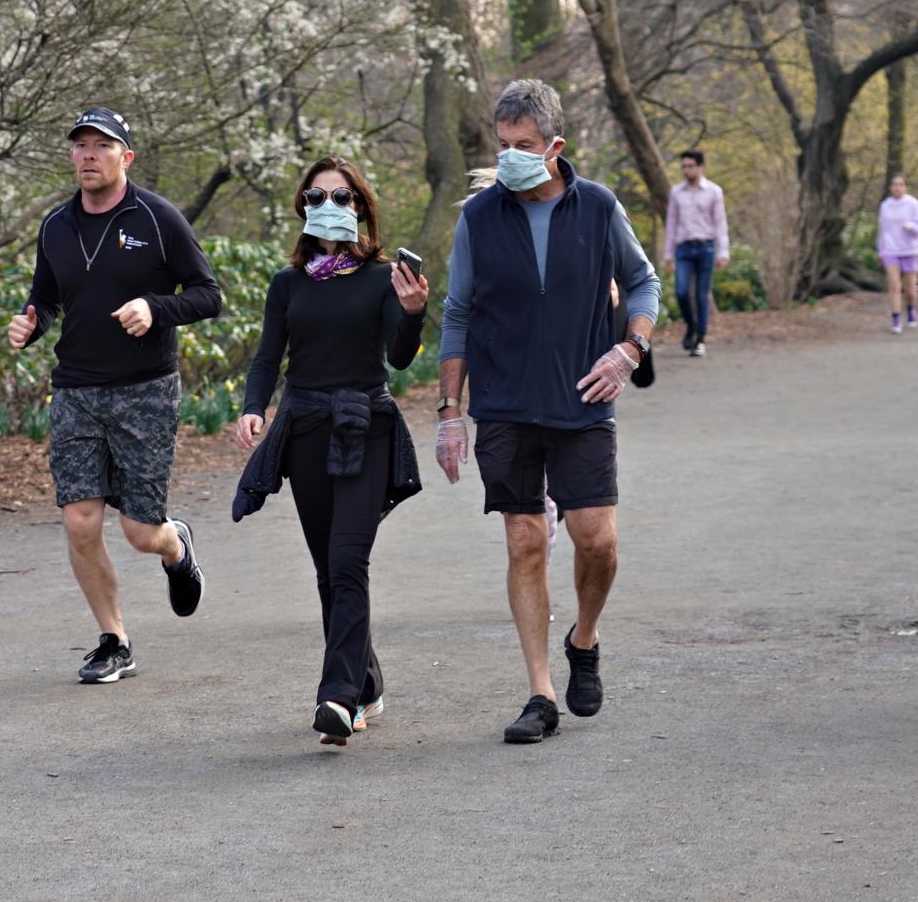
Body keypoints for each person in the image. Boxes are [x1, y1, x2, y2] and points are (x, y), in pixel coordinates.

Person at [434, 78, 661, 745]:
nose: (510, 158)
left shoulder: (597, 207)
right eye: (502, 145)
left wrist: (631, 347)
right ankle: (540, 692)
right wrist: (451, 411)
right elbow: (457, 314)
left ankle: (584, 637)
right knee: (526, 540)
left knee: (598, 539)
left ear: (555, 146)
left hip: (582, 397)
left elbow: (644, 279)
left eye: (524, 146)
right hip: (504, 404)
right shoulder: (479, 218)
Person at [7, 109, 222, 683]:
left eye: (102, 146)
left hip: (145, 390)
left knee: (139, 531)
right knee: (80, 523)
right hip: (76, 389)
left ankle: (176, 546)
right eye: (80, 146)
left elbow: (208, 295)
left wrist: (156, 308)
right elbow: (45, 298)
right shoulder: (56, 226)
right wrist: (32, 325)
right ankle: (114, 639)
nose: (88, 155)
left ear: (126, 156)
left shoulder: (157, 218)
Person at [231, 157, 428, 744]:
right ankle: (364, 682)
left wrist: (414, 315)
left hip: (365, 427)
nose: (329, 207)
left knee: (347, 562)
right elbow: (269, 355)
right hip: (305, 431)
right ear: (303, 208)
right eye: (317, 197)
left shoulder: (385, 277)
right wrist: (253, 406)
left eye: (342, 198)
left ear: (361, 208)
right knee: (328, 571)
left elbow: (400, 357)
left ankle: (336, 699)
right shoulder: (287, 283)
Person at [662, 149, 726, 357]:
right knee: (681, 292)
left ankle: (700, 339)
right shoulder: (676, 192)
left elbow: (720, 222)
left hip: (706, 247)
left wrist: (723, 252)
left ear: (701, 167)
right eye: (684, 167)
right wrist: (668, 254)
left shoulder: (714, 191)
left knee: (701, 294)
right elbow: (671, 223)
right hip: (683, 248)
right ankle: (691, 325)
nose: (686, 170)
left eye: (690, 166)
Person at [877, 174, 918, 334]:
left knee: (910, 289)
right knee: (894, 286)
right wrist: (881, 249)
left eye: (900, 185)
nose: (896, 187)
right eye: (894, 184)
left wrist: (911, 226)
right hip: (891, 250)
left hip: (910, 250)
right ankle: (896, 318)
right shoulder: (885, 205)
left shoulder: (913, 204)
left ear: (906, 187)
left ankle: (911, 309)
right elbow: (882, 230)